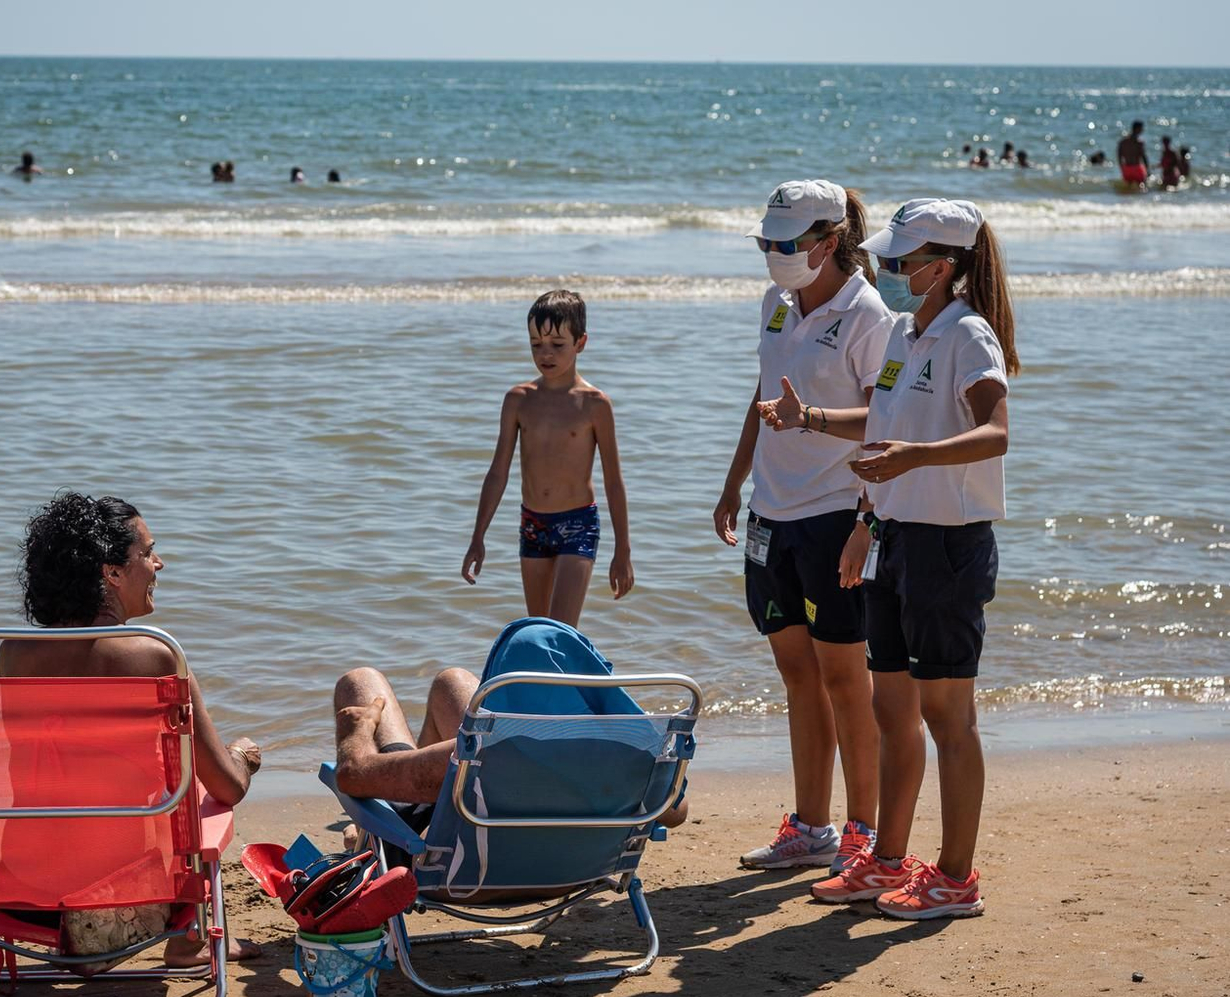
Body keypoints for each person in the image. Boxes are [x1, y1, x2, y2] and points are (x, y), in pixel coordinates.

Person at [758, 198, 1017, 920]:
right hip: (895, 538)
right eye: (891, 260)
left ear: (947, 265)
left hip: (949, 543)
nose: (893, 272)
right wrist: (857, 505)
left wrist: (914, 460)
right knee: (892, 706)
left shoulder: (970, 335)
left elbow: (997, 432)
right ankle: (889, 861)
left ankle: (956, 879)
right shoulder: (905, 332)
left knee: (947, 715)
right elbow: (879, 424)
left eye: (904, 261)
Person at [0, 491, 263, 961]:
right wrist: (243, 756)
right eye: (147, 552)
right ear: (113, 572)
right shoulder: (155, 655)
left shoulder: (14, 654)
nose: (158, 564)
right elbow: (227, 785)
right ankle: (190, 943)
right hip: (128, 898)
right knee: (199, 798)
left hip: (28, 892)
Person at [717, 180, 893, 875]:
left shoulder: (868, 313)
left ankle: (863, 832)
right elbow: (762, 396)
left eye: (787, 244)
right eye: (766, 243)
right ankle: (812, 825)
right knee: (797, 675)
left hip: (834, 516)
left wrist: (864, 521)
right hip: (771, 516)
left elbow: (890, 422)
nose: (774, 256)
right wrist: (735, 480)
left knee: (848, 680)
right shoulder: (775, 304)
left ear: (829, 241)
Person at [330, 645, 690, 831]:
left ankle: (402, 829)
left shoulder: (475, 754)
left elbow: (353, 773)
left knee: (360, 680)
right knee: (452, 681)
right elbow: (676, 813)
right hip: (566, 867)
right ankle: (418, 816)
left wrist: (358, 728)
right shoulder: (626, 760)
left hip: (469, 863)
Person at [461, 290, 633, 626]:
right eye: (536, 344)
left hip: (578, 524)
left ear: (580, 343)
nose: (546, 354)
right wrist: (478, 536)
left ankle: (575, 677)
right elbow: (498, 472)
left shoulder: (595, 404)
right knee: (539, 631)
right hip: (533, 525)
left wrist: (623, 550)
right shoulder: (518, 399)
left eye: (557, 344)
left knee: (561, 631)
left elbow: (614, 480)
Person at [1118, 121, 1148, 188]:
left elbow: (1119, 155)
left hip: (1127, 168)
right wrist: (1147, 169)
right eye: (1141, 128)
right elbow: (1143, 156)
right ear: (1137, 129)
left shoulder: (1123, 142)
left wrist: (1122, 167)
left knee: (1128, 188)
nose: (1142, 130)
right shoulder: (1139, 142)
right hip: (1137, 167)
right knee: (1142, 187)